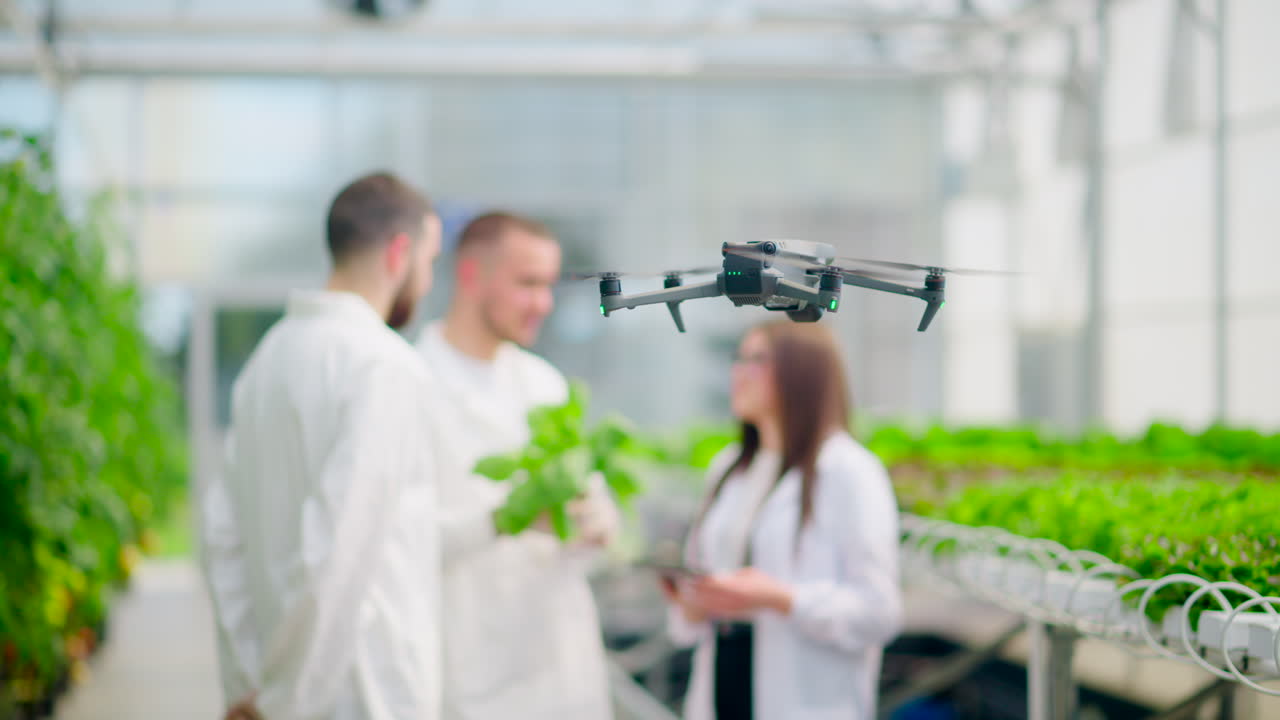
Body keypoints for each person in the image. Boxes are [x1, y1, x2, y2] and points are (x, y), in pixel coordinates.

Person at [199, 172, 445, 720]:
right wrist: (284, 701)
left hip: (282, 687)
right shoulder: (385, 365)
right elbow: (338, 552)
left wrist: (247, 682)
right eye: (430, 261)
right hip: (363, 694)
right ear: (400, 252)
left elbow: (222, 538)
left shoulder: (267, 360)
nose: (427, 281)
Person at [414, 211, 618, 720]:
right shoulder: (413, 385)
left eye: (548, 285)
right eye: (527, 283)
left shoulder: (543, 384)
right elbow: (402, 542)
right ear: (470, 274)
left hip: (563, 674)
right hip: (476, 678)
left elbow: (592, 515)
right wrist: (505, 518)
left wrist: (598, 522)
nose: (543, 304)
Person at [662, 321, 903, 720]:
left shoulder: (849, 472)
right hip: (723, 695)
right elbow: (702, 597)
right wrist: (694, 603)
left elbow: (879, 613)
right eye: (738, 359)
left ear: (803, 373)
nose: (739, 372)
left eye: (757, 360)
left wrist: (781, 598)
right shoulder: (730, 467)